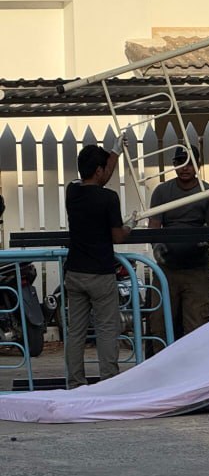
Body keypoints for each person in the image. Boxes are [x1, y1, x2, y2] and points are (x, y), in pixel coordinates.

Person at [64, 143, 129, 388]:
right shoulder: (109, 199)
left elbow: (100, 176)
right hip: (100, 274)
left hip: (75, 272)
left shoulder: (72, 192)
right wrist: (129, 226)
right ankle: (109, 383)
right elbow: (118, 237)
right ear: (100, 171)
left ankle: (75, 383)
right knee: (106, 330)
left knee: (76, 332)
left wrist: (113, 154)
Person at [147, 145, 209, 348]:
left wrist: (204, 239)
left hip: (196, 269)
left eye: (190, 163)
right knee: (160, 324)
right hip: (166, 269)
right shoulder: (162, 191)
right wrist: (157, 246)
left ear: (199, 164)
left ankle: (195, 373)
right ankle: (160, 371)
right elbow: (154, 224)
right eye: (180, 162)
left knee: (196, 325)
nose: (185, 168)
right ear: (174, 165)